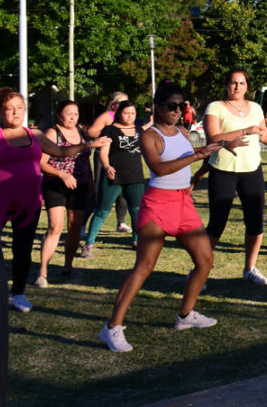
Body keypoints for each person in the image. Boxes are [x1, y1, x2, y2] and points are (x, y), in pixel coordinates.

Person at [98, 82, 233, 352]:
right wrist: (197, 155)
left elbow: (195, 158)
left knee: (205, 261)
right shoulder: (150, 136)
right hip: (157, 205)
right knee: (144, 267)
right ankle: (112, 327)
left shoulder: (183, 131)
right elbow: (159, 168)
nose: (176, 111)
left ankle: (185, 315)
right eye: (171, 106)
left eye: (181, 106)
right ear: (158, 107)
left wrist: (204, 165)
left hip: (183, 203)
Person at [0, 88, 109, 312]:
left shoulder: (34, 135)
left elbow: (60, 152)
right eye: (9, 109)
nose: (16, 113)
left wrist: (87, 145)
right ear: (0, 112)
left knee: (23, 249)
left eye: (20, 108)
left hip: (29, 204)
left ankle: (17, 293)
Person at [204, 68, 267, 286]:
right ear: (226, 85)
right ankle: (201, 270)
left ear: (247, 86)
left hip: (251, 171)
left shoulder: (255, 108)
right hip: (223, 170)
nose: (237, 87)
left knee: (255, 222)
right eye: (233, 83)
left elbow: (264, 135)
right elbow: (214, 137)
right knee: (216, 224)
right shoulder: (215, 107)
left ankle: (249, 268)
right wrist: (244, 131)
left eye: (241, 83)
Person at [35, 101, 95, 286]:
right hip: (56, 184)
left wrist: (91, 181)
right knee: (55, 226)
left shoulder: (82, 132)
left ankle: (68, 265)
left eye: (75, 113)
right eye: (68, 113)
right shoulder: (53, 133)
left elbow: (85, 160)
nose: (72, 117)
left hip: (80, 184)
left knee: (75, 227)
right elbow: (42, 163)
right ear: (59, 115)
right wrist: (62, 174)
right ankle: (42, 271)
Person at [83, 100, 147, 257]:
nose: (130, 116)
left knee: (136, 211)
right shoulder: (110, 130)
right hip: (114, 175)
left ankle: (136, 241)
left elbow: (147, 152)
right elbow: (104, 152)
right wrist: (106, 166)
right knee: (103, 211)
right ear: (119, 113)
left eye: (133, 113)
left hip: (135, 176)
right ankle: (88, 244)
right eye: (126, 113)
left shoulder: (139, 130)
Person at [86, 92, 133, 237]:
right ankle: (83, 225)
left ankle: (121, 222)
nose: (125, 105)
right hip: (103, 156)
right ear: (114, 104)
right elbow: (91, 132)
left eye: (127, 102)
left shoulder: (126, 118)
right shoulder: (107, 117)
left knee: (123, 190)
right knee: (100, 191)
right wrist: (107, 134)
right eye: (121, 102)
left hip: (120, 157)